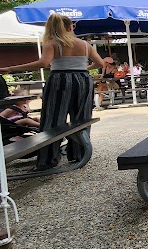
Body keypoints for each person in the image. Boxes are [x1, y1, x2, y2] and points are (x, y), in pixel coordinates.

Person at [0, 13, 105, 169]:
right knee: (81, 117)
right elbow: (100, 63)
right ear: (71, 27)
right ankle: (78, 153)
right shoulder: (84, 45)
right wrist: (82, 69)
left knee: (53, 118)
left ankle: (48, 159)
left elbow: (44, 63)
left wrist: (12, 68)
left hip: (59, 79)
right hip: (83, 80)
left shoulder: (52, 43)